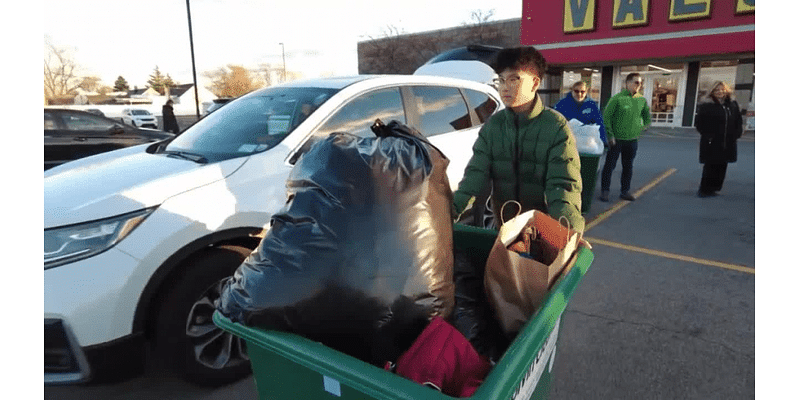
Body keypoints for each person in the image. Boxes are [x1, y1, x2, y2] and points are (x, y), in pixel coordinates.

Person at [451, 46, 584, 232]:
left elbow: (563, 187)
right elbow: (474, 177)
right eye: (501, 80)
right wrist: (450, 212)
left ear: (535, 83)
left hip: (541, 233)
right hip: (504, 229)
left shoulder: (555, 127)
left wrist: (569, 231)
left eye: (514, 79)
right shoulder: (493, 126)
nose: (505, 87)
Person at [599, 73, 651, 202]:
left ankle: (625, 191)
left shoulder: (641, 100)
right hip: (616, 140)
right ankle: (605, 190)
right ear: (627, 83)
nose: (639, 85)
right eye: (636, 82)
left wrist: (644, 126)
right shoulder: (617, 99)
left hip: (632, 140)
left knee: (628, 167)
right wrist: (610, 136)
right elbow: (607, 118)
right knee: (610, 166)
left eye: (640, 83)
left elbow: (646, 116)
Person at [693, 81, 743, 197]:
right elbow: (699, 124)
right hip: (712, 141)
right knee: (710, 165)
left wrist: (737, 134)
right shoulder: (707, 106)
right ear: (712, 92)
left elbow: (738, 121)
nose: (720, 92)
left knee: (722, 165)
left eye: (722, 89)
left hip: (728, 141)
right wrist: (708, 135)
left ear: (726, 90)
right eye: (716, 90)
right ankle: (704, 190)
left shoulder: (732, 104)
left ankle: (715, 188)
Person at [554, 81, 608, 146]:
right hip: (567, 141)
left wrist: (603, 141)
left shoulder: (591, 105)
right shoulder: (562, 104)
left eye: (582, 92)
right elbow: (554, 120)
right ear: (572, 91)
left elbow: (599, 123)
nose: (579, 94)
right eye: (576, 91)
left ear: (586, 92)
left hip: (586, 143)